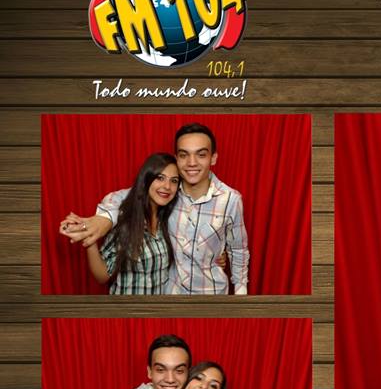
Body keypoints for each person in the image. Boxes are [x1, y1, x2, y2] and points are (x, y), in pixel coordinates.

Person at [59, 123, 250, 294]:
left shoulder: (231, 200)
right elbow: (127, 197)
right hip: (171, 293)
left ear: (213, 158)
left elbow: (239, 250)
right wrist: (104, 219)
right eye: (184, 155)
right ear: (177, 159)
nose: (192, 162)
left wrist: (240, 294)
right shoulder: (169, 194)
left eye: (201, 154)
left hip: (211, 293)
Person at [71, 153, 179, 294]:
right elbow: (102, 276)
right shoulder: (125, 219)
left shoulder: (169, 220)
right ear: (147, 178)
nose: (167, 186)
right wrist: (89, 239)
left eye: (174, 181)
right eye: (160, 178)